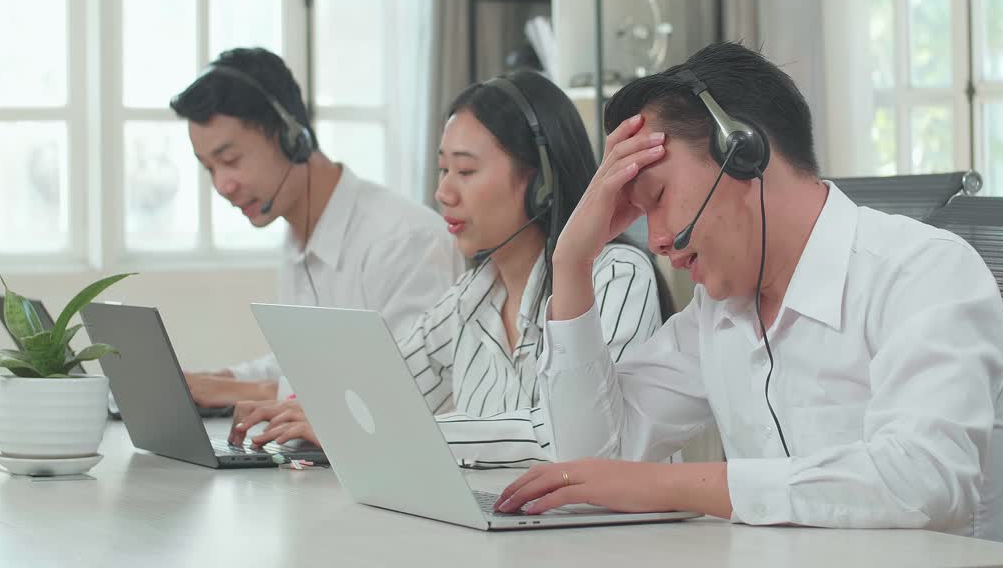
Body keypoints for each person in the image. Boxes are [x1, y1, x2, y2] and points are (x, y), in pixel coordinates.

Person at [495, 42, 1003, 544]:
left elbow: (923, 483)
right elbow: (590, 459)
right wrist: (571, 264)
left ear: (741, 151)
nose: (656, 240)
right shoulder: (718, 312)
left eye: (657, 197)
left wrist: (672, 487)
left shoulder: (924, 272)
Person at [229, 71, 675, 467]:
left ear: (540, 182)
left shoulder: (616, 277)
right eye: (443, 169)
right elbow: (384, 393)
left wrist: (376, 429)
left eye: (465, 170)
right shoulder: (470, 297)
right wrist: (322, 415)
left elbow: (571, 439)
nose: (443, 192)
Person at [169, 47, 463, 406]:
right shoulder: (298, 235)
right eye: (209, 168)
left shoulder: (404, 240)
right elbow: (302, 364)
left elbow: (403, 392)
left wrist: (245, 393)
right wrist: (217, 380)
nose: (222, 186)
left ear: (291, 136)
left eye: (230, 160)